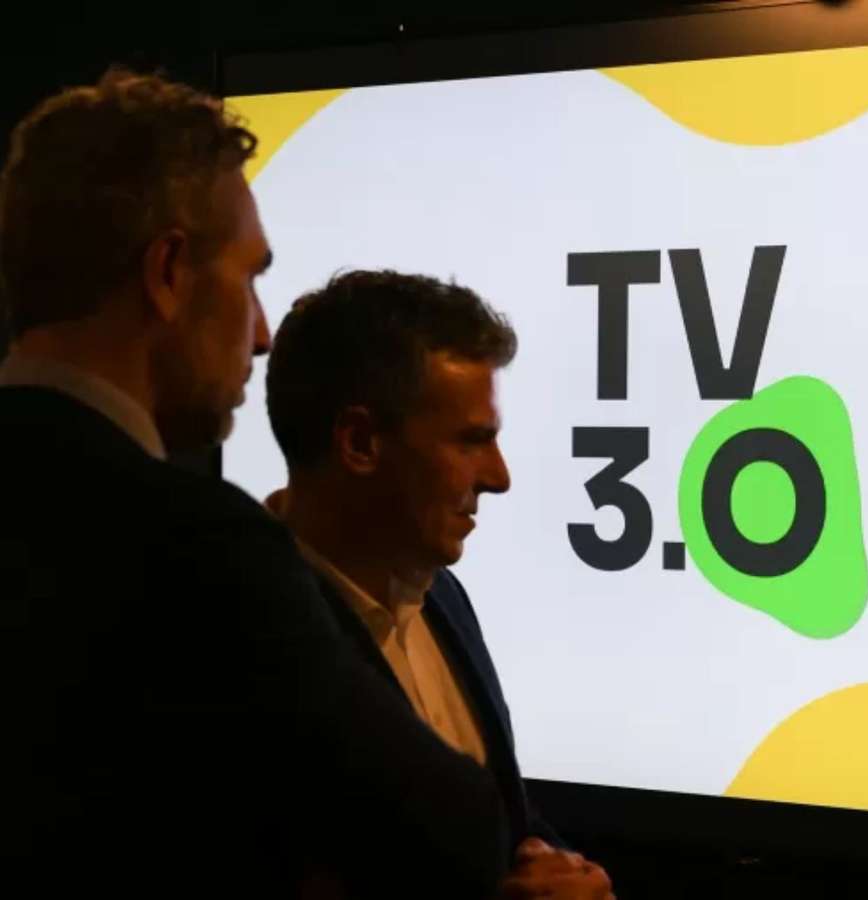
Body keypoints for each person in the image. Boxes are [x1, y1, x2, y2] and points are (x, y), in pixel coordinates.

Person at [0, 70, 509, 898]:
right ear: (168, 272)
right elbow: (454, 837)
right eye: (248, 278)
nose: (264, 333)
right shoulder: (200, 549)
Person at [264, 270, 615, 899]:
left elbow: (504, 830)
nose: (499, 477)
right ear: (360, 443)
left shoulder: (442, 596)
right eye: (471, 441)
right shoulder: (243, 638)